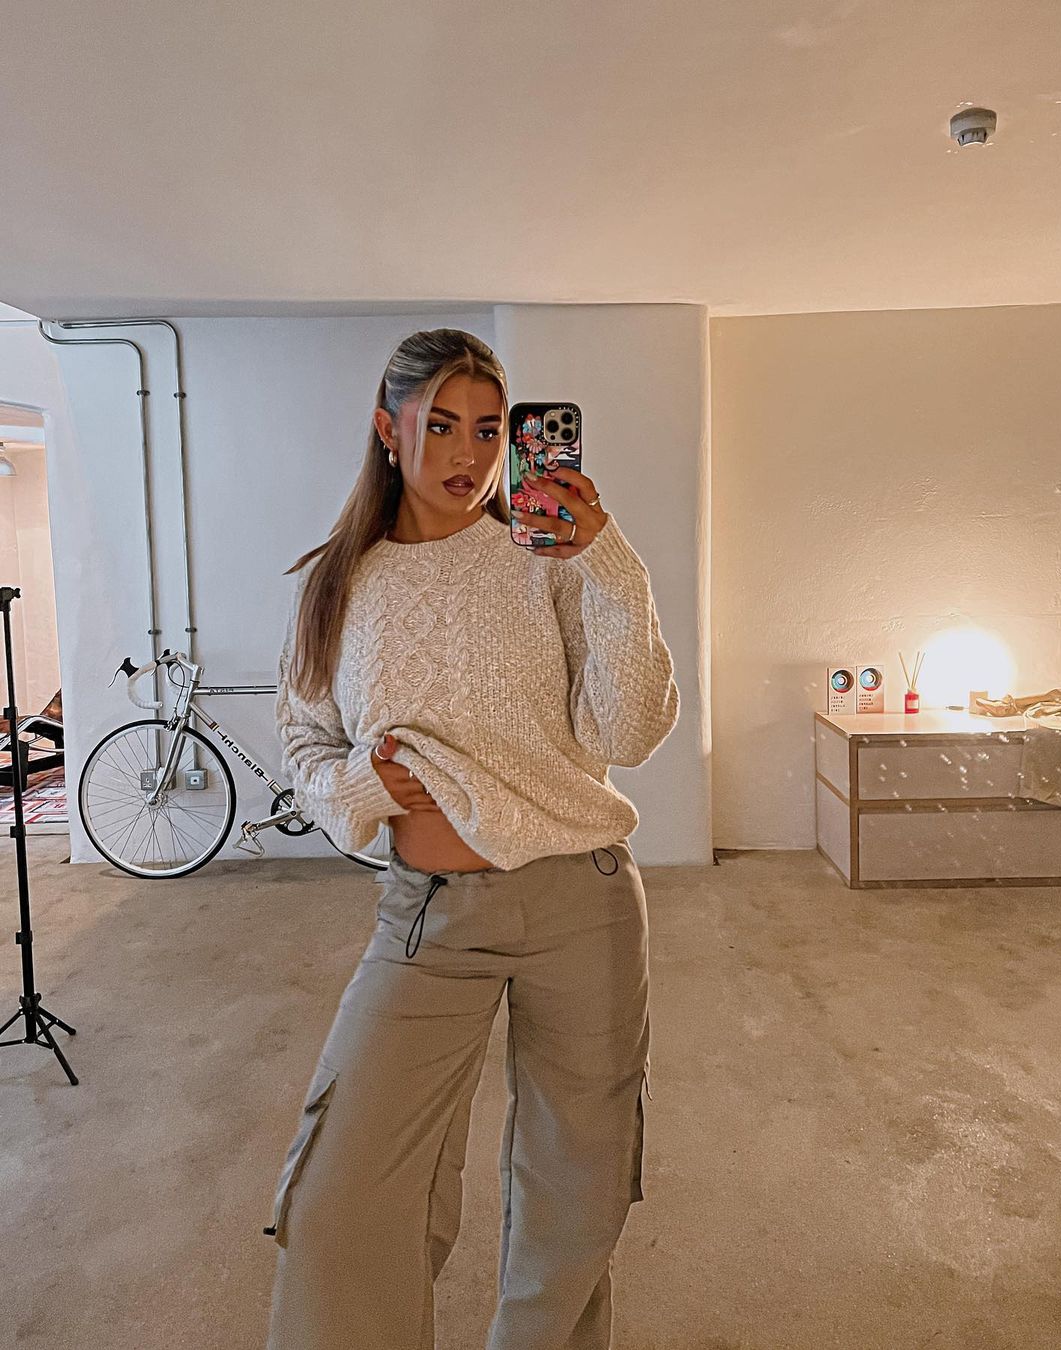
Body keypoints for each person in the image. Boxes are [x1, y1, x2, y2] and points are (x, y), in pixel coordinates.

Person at [263, 327, 680, 1349]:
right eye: (442, 425)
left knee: (575, 1188)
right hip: (425, 918)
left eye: (490, 431)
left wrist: (610, 562)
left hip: (580, 900)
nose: (468, 454)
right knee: (342, 1190)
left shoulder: (550, 561)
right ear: (387, 429)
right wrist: (361, 783)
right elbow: (305, 742)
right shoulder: (337, 583)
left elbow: (628, 732)